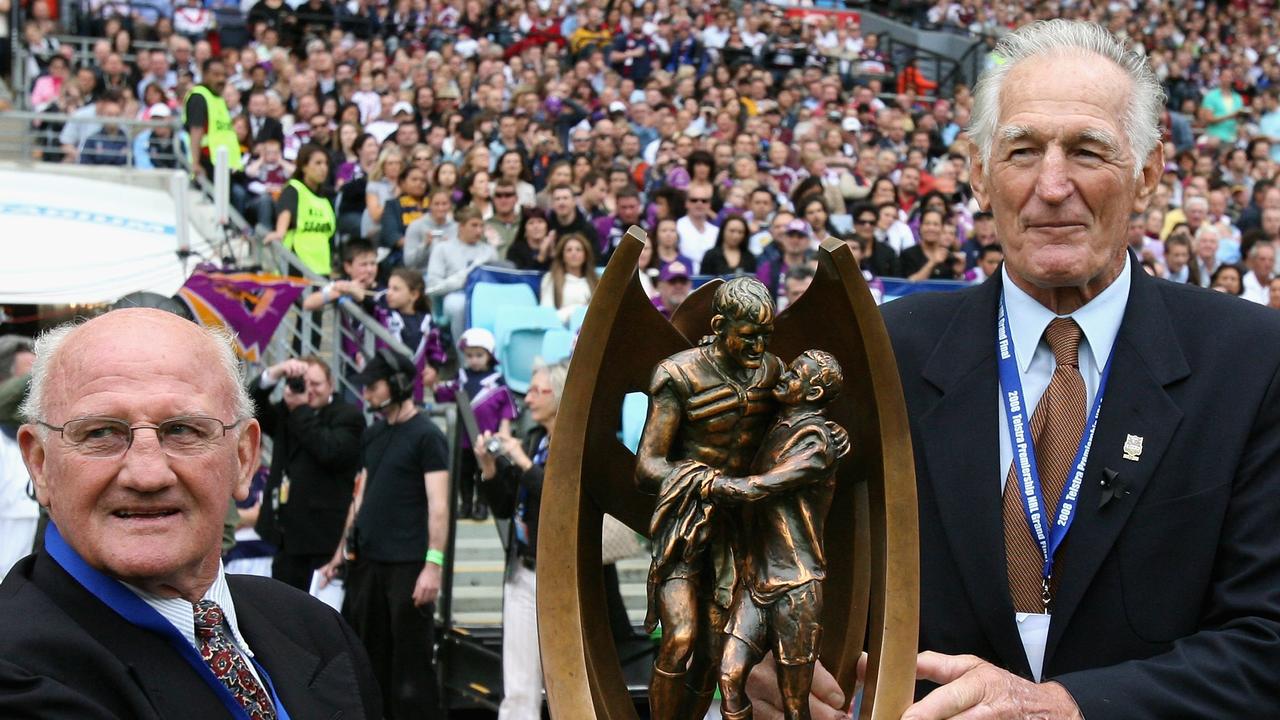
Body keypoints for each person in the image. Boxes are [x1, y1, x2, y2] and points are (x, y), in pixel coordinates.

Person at [875, 20, 1280, 719]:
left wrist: (1066, 707)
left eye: (1088, 151)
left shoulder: (1253, 361)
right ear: (977, 173)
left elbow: (1267, 638)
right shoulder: (887, 351)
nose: (1052, 186)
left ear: (1148, 172)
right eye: (1022, 151)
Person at [1, 309, 381, 718]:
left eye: (182, 430)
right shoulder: (15, 674)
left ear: (243, 458)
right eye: (100, 432)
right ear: (39, 463)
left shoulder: (316, 628)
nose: (147, 475)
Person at [636, 276, 785, 720]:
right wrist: (704, 481)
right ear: (720, 325)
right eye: (747, 335)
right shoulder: (677, 374)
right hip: (685, 526)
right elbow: (647, 465)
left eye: (766, 335)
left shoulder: (773, 372)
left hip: (738, 531)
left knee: (716, 649)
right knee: (680, 638)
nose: (758, 345)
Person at [711, 351, 850, 720]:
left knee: (794, 703)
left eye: (796, 374)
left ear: (814, 392)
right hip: (757, 580)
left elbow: (767, 485)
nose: (785, 376)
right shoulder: (776, 425)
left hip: (797, 585)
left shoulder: (817, 442)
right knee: (729, 675)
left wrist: (718, 487)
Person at [320, 348, 450, 719]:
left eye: (374, 386)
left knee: (411, 667)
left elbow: (439, 506)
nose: (367, 394)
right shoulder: (374, 433)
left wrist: (433, 565)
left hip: (408, 567)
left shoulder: (427, 435)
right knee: (367, 659)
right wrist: (339, 552)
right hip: (368, 565)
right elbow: (360, 494)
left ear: (397, 384)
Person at [472, 359, 567, 720]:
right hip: (524, 569)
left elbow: (560, 497)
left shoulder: (576, 444)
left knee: (568, 679)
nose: (526, 399)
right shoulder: (534, 440)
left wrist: (523, 463)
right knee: (518, 685)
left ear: (558, 394)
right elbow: (505, 505)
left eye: (535, 391)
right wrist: (490, 468)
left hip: (562, 576)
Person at [249, 354, 364, 591]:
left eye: (316, 384)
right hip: (285, 536)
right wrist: (276, 372)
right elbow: (251, 403)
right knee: (283, 614)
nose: (309, 390)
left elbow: (329, 451)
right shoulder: (288, 411)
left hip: (323, 539)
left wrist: (300, 410)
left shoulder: (348, 415)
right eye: (304, 383)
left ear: (331, 385)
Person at [434, 328, 517, 521]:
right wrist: (434, 385)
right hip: (463, 438)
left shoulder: (497, 380)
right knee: (464, 473)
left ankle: (482, 505)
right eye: (469, 355)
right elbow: (444, 393)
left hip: (486, 439)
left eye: (479, 355)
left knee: (485, 471)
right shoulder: (461, 377)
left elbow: (507, 406)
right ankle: (466, 504)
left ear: (490, 355)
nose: (474, 360)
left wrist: (504, 428)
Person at [427, 205, 498, 344]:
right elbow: (432, 288)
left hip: (484, 296)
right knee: (458, 305)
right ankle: (464, 358)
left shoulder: (489, 252)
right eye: (474, 225)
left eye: (481, 226)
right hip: (455, 296)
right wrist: (461, 280)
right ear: (461, 226)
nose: (479, 230)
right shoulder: (442, 249)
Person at [267, 143, 335, 278]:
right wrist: (280, 232)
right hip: (296, 263)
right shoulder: (294, 188)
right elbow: (286, 211)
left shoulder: (326, 197)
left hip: (321, 266)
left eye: (325, 163)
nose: (323, 168)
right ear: (304, 166)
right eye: (318, 163)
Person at [183, 57, 243, 179]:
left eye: (223, 75)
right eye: (215, 75)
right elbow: (196, 131)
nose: (221, 79)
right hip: (208, 163)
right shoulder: (199, 97)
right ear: (204, 75)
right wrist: (195, 163)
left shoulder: (219, 99)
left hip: (227, 166)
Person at [540, 232, 599, 325]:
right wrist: (575, 311)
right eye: (569, 250)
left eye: (578, 249)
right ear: (562, 256)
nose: (574, 253)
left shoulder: (596, 281)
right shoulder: (550, 279)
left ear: (585, 255)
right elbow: (547, 314)